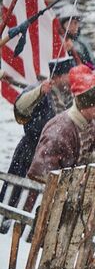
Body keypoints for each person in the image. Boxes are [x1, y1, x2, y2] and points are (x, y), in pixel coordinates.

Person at [27, 66, 95, 181]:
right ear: (86, 103)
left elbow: (82, 158)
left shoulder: (90, 124)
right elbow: (40, 175)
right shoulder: (60, 131)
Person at [7, 57, 76, 187]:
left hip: (53, 157)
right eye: (68, 75)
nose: (71, 80)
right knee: (17, 195)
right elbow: (20, 106)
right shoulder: (39, 89)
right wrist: (39, 91)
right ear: (57, 76)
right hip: (30, 153)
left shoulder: (68, 97)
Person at [55, 3, 95, 68]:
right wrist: (68, 52)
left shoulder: (83, 42)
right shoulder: (58, 42)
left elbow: (91, 64)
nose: (73, 26)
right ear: (62, 25)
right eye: (69, 23)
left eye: (75, 23)